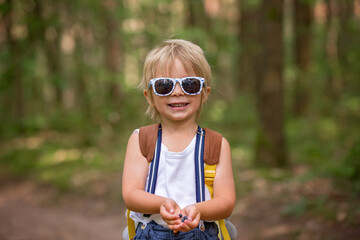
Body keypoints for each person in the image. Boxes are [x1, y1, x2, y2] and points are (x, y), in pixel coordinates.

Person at [122, 39, 236, 239]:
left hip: (201, 231)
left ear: (204, 93)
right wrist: (160, 204)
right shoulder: (141, 140)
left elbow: (226, 201)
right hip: (151, 232)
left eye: (190, 84)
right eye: (164, 85)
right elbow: (131, 194)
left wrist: (198, 210)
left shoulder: (217, 145)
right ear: (149, 96)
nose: (177, 91)